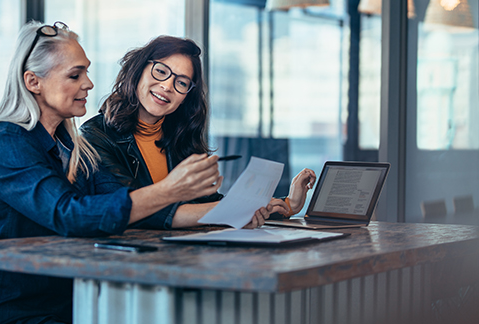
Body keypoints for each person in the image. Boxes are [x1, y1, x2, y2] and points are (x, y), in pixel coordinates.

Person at [0, 22, 267, 324]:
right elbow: (69, 215)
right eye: (75, 75)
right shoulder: (5, 142)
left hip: (69, 302)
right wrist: (170, 190)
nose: (89, 84)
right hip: (11, 310)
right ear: (33, 82)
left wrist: (236, 209)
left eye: (87, 72)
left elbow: (124, 204)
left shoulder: (71, 145)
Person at [80, 35, 316, 223]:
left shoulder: (180, 136)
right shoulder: (95, 136)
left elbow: (207, 203)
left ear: (186, 95)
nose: (167, 86)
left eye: (181, 82)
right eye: (161, 71)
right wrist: (230, 211)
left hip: (184, 257)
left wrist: (286, 205)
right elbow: (135, 210)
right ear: (138, 70)